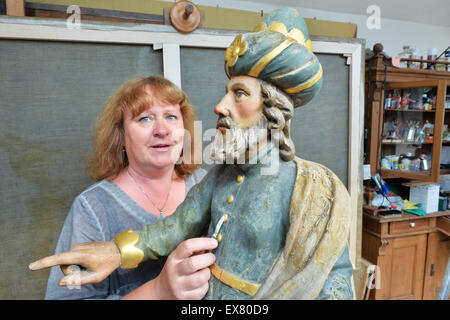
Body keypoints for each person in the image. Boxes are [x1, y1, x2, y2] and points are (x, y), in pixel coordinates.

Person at [31, 8, 354, 300]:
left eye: (238, 94)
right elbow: (175, 226)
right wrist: (116, 251)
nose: (220, 106)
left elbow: (333, 275)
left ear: (274, 111)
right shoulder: (218, 176)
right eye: (144, 118)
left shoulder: (313, 189)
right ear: (122, 136)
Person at [44, 75, 215, 300]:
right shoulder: (91, 209)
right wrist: (158, 291)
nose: (162, 130)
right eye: (145, 119)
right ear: (121, 136)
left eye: (171, 116)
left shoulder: (211, 184)